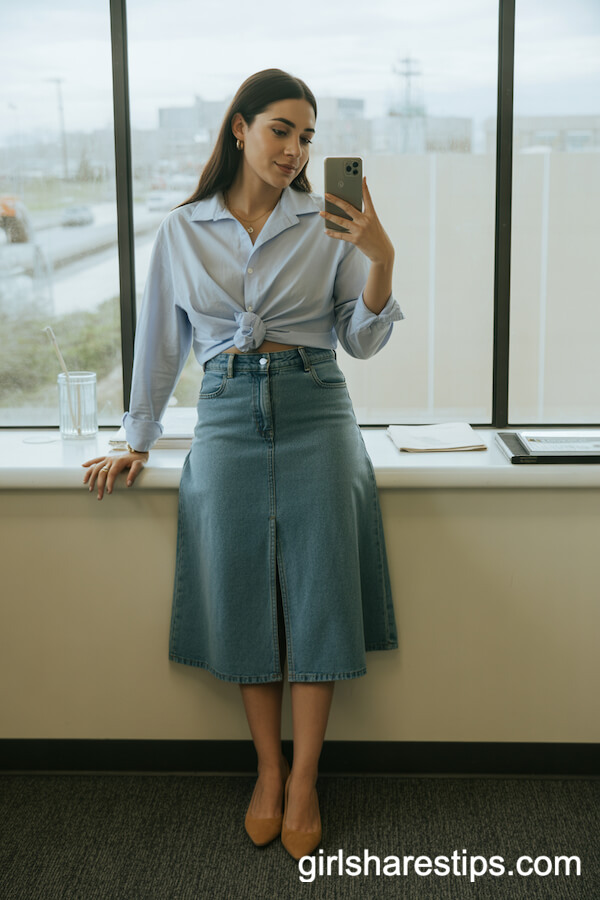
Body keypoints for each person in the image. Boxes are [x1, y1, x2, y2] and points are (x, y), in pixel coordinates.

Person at [83, 68, 404, 860]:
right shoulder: (182, 230)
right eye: (280, 130)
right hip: (225, 412)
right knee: (241, 593)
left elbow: (360, 340)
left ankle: (306, 780)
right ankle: (268, 770)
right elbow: (161, 342)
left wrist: (381, 258)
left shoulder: (329, 221)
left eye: (307, 136)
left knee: (322, 592)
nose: (295, 149)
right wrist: (136, 440)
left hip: (315, 405)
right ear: (240, 128)